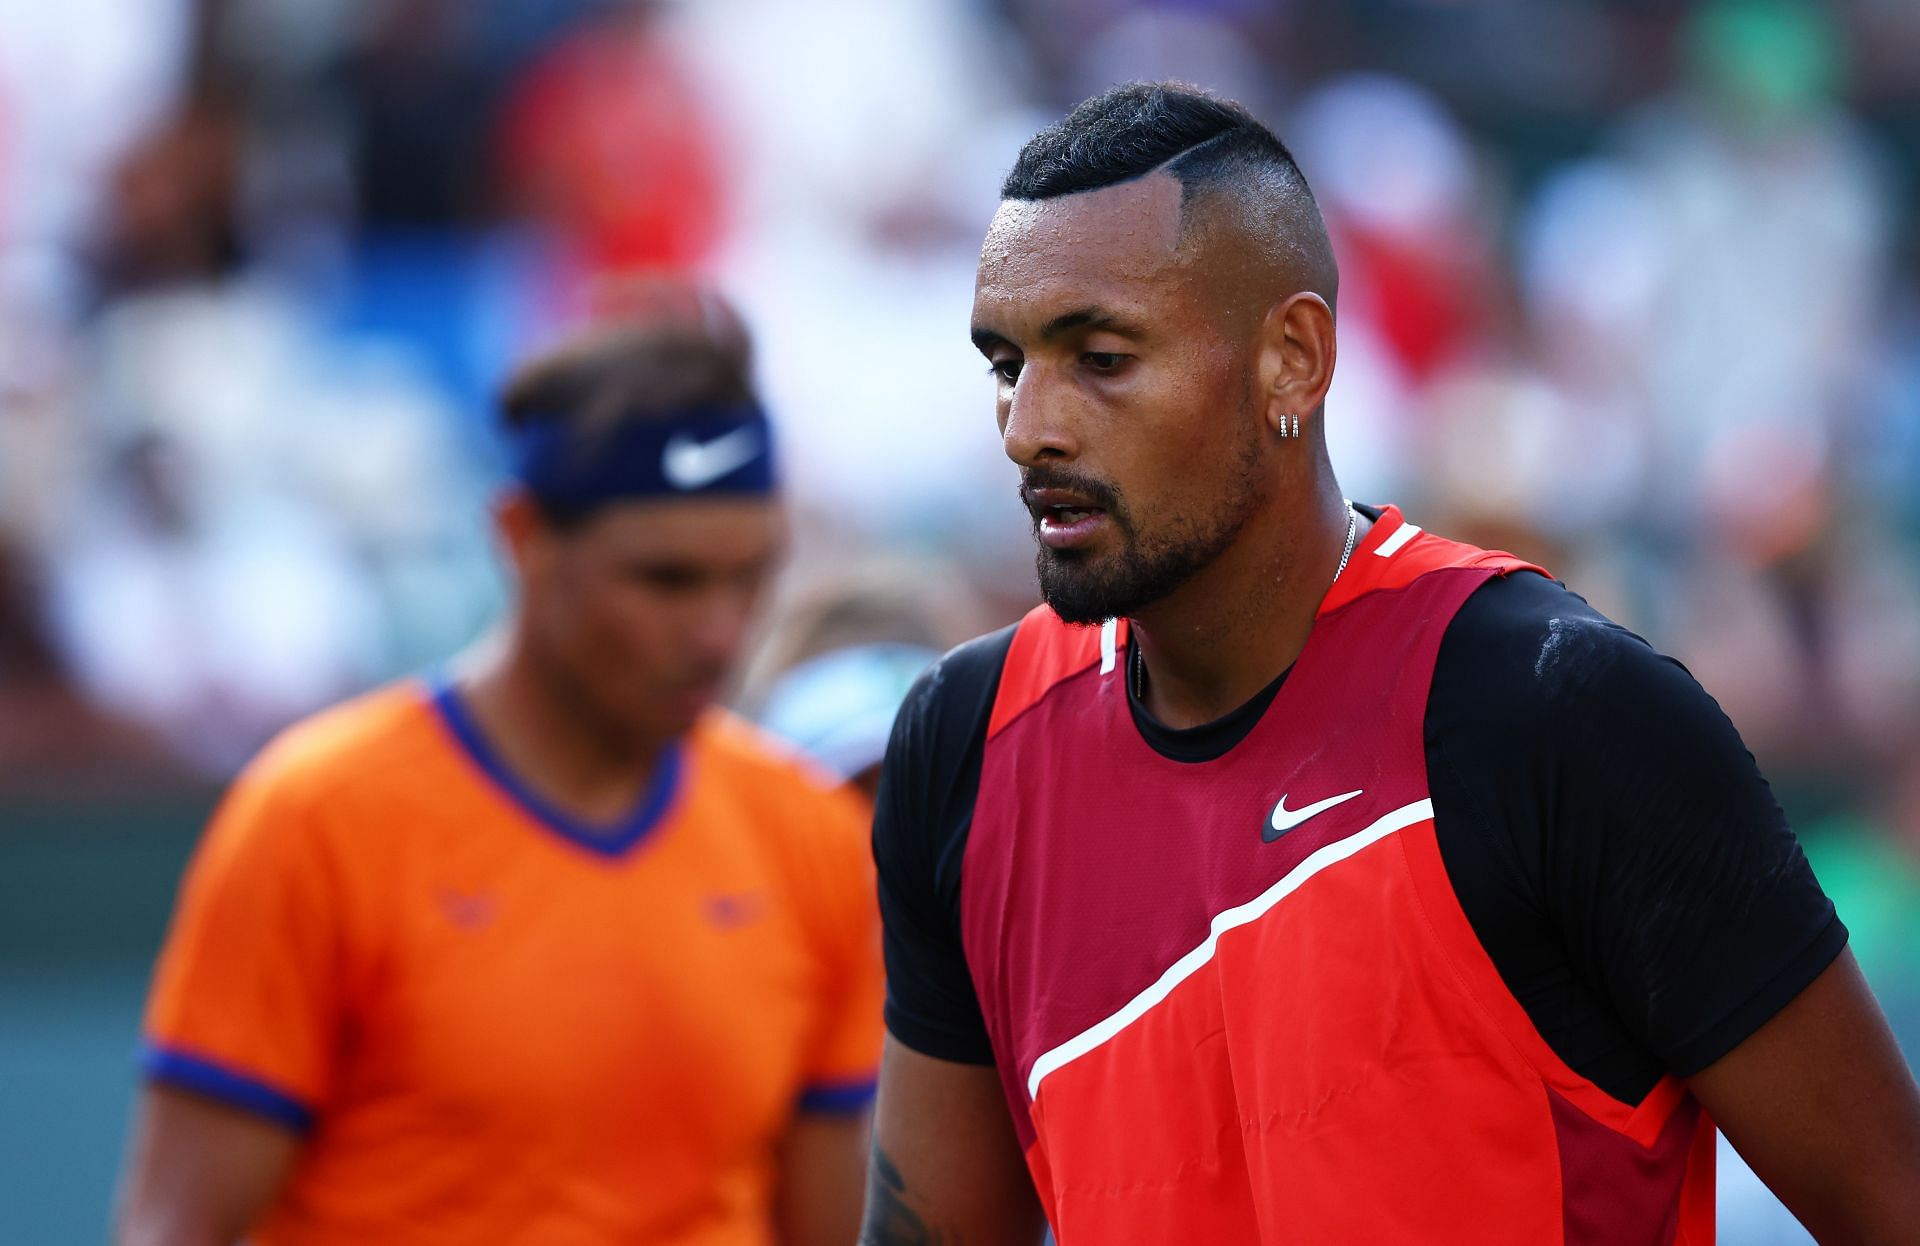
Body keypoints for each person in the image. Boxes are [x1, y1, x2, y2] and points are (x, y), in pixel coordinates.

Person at [862, 83, 1920, 1245]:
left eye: (1101, 358)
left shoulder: (1560, 710)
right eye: (1007, 364)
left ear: (1293, 360)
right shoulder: (963, 746)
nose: (1028, 428)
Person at [116, 284, 883, 1246]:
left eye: (751, 577)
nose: (719, 634)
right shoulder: (314, 817)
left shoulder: (811, 838)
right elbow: (177, 1228)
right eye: (667, 580)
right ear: (523, 539)